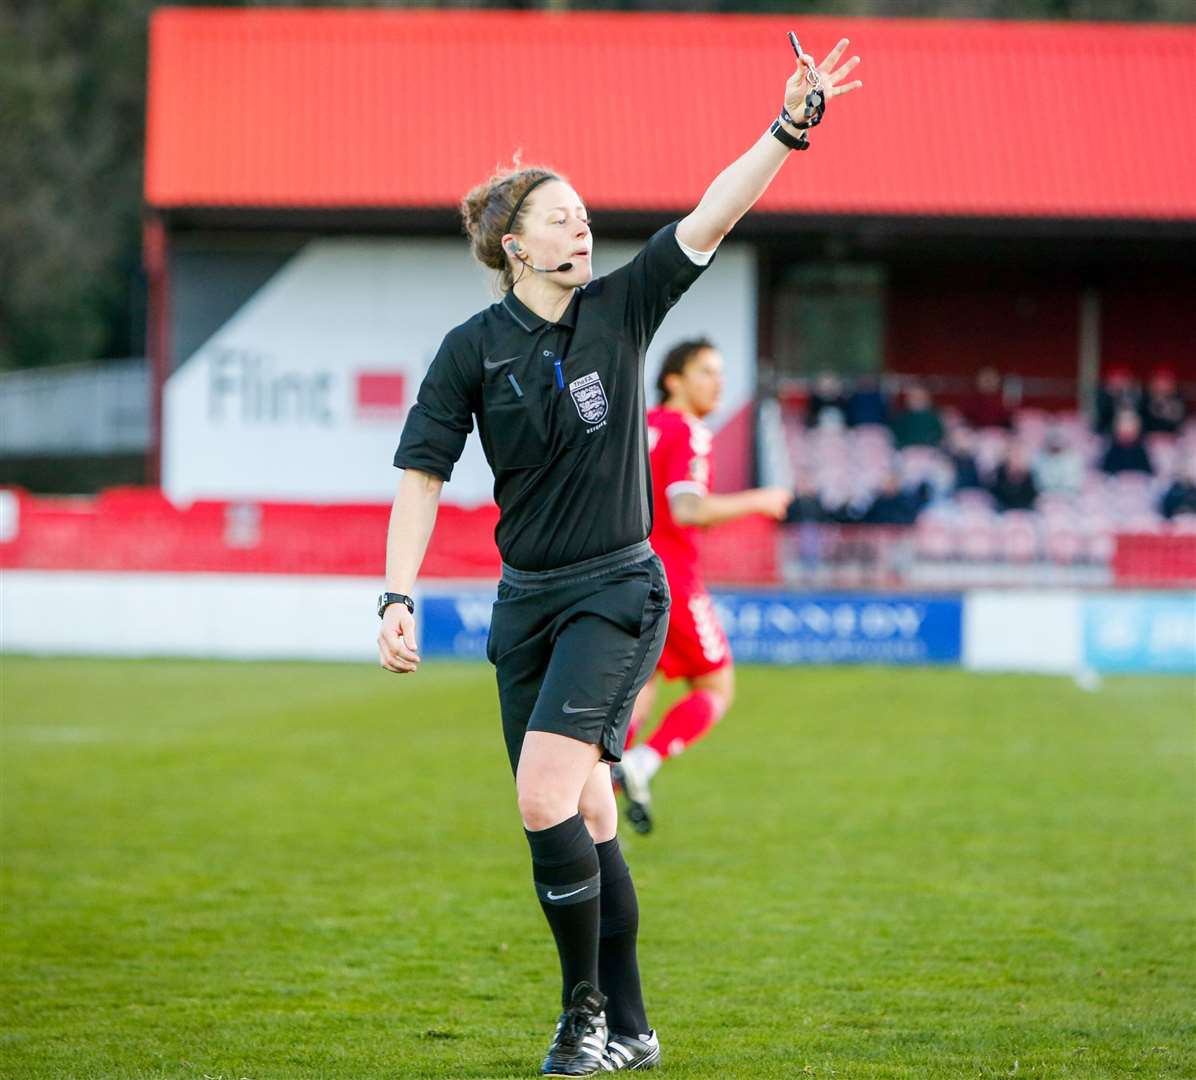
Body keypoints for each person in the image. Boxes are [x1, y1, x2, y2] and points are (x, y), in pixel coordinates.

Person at [377, 37, 862, 1078]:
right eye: (558, 214)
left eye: (584, 212)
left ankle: (581, 1021)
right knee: (588, 808)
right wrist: (396, 593)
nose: (581, 223)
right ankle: (636, 1028)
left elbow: (712, 214)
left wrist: (787, 128)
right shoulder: (470, 349)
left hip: (617, 590)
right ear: (513, 244)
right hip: (526, 604)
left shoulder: (622, 307)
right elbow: (421, 473)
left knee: (542, 797)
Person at [613, 340, 793, 836]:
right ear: (674, 380)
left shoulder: (633, 427)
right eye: (706, 372)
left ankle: (594, 809)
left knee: (640, 689)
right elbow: (688, 509)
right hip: (668, 577)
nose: (718, 383)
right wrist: (761, 499)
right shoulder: (688, 432)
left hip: (618, 573)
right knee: (715, 685)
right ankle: (642, 763)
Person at [889, 383, 944, 448]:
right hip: (908, 449)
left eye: (920, 398)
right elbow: (896, 435)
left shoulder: (932, 417)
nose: (917, 400)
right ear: (907, 400)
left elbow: (939, 434)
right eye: (913, 397)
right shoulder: (903, 418)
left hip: (928, 449)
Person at [1101, 409, 1154, 475]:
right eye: (1123, 425)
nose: (1127, 430)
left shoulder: (1141, 451)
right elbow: (1105, 474)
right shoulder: (1111, 451)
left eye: (1130, 425)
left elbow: (1148, 474)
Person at [988, 444, 1039, 512]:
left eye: (1018, 455)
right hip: (1003, 510)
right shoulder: (1000, 472)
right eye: (1013, 455)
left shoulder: (1028, 473)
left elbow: (1031, 495)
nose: (1015, 457)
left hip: (1024, 511)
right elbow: (995, 493)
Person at [1140, 367, 1187, 435]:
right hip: (1151, 437)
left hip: (1174, 437)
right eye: (1160, 381)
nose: (1163, 385)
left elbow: (1181, 422)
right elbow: (1143, 422)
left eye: (1167, 381)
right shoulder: (1145, 400)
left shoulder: (1178, 400)